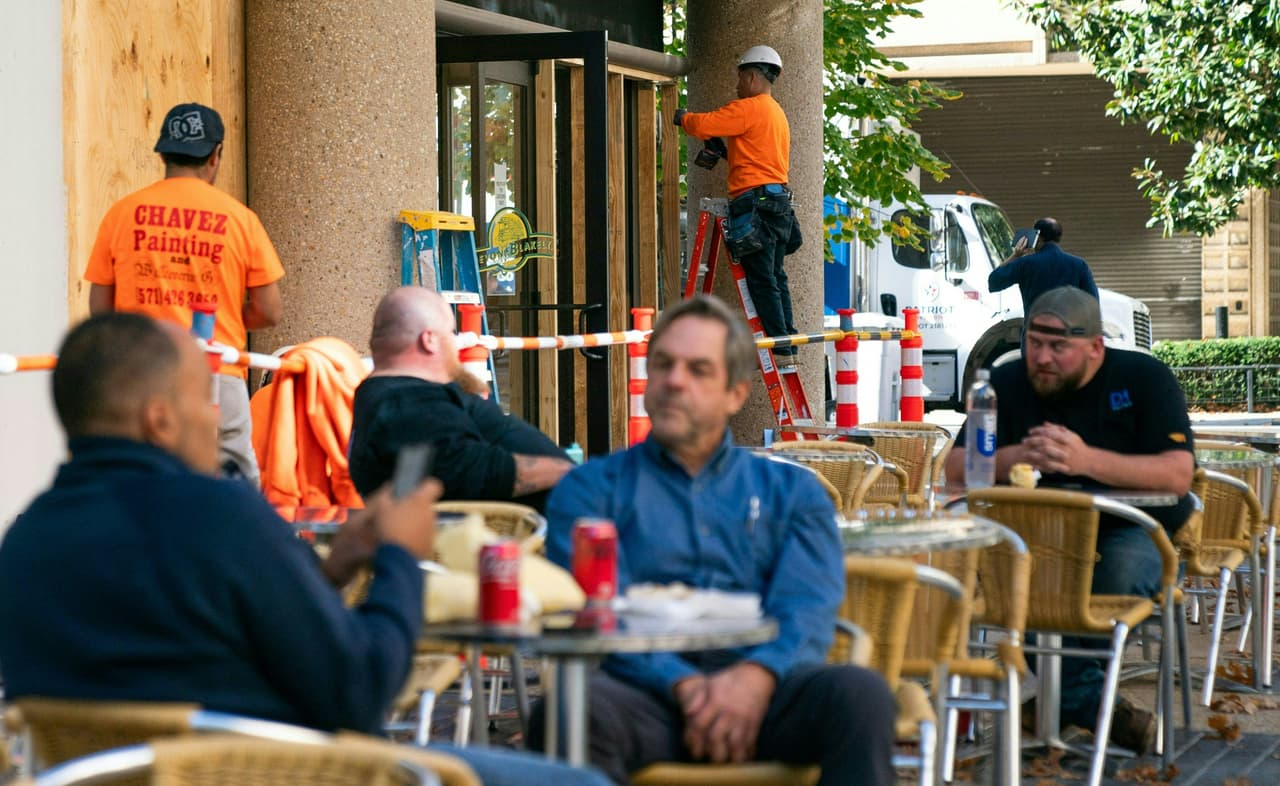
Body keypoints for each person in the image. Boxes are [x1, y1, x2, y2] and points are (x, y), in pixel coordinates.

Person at [0, 312, 611, 786]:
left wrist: (340, 565)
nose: (216, 417)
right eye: (201, 398)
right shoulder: (219, 515)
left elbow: (215, 640)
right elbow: (363, 685)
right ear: (160, 419)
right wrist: (398, 556)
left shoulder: (25, 544)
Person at [530, 295, 895, 785]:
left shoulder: (792, 494)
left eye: (698, 369)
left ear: (736, 393)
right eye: (663, 364)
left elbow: (805, 609)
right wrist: (681, 683)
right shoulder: (591, 491)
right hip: (646, 698)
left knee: (860, 695)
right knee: (567, 711)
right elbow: (604, 615)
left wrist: (754, 679)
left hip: (767, 697)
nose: (674, 380)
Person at [945, 285, 1195, 754]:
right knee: (1028, 585)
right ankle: (1089, 709)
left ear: (1095, 347)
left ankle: (1056, 706)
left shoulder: (1145, 378)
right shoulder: (1005, 382)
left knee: (1111, 581)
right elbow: (956, 468)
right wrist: (1015, 455)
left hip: (1133, 528)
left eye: (1058, 346)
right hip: (1038, 537)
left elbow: (1178, 474)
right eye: (1033, 343)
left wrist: (1084, 460)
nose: (1042, 357)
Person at [85, 102, 284, 486]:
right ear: (215, 156)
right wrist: (226, 313)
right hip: (216, 370)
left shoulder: (122, 214)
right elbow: (269, 311)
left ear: (163, 154)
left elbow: (100, 309)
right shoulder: (240, 219)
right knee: (233, 488)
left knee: (141, 484)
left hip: (142, 374)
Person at [348, 287, 573, 511]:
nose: (455, 344)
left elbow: (420, 478)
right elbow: (468, 471)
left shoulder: (395, 399)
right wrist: (576, 473)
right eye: (450, 333)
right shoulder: (406, 403)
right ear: (429, 340)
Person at [674, 45, 802, 366]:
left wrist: (681, 118)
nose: (737, 85)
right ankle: (788, 343)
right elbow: (759, 161)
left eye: (740, 78)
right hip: (776, 202)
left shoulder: (750, 107)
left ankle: (781, 349)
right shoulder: (776, 114)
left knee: (762, 279)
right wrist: (725, 152)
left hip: (756, 204)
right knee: (775, 276)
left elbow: (703, 124)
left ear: (753, 76)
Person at [989, 217, 1098, 317]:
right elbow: (1093, 302)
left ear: (1037, 236)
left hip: (1034, 334)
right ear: (1058, 238)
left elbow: (994, 282)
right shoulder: (1079, 265)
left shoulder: (1025, 263)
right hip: (1067, 334)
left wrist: (1016, 255)